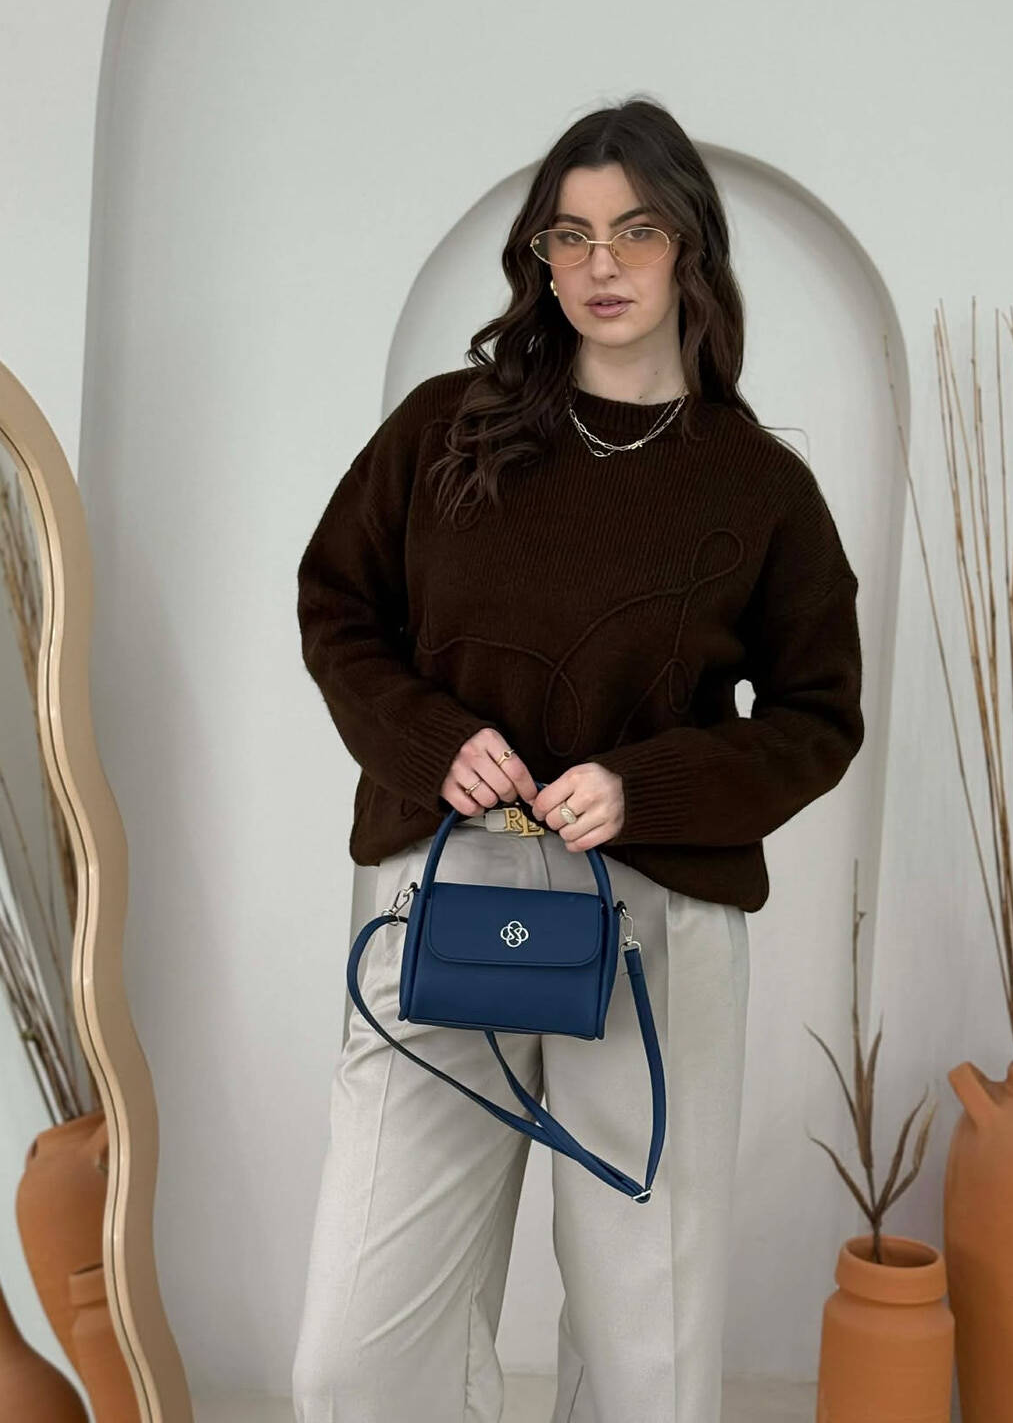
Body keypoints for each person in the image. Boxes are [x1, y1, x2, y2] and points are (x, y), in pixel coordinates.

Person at [289, 96, 865, 1423]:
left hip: (651, 920)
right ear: (540, 258)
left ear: (690, 250)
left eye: (636, 231)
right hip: (448, 896)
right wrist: (435, 741)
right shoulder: (445, 430)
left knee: (645, 1354)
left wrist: (641, 786)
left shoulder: (758, 488)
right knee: (358, 1355)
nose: (602, 264)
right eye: (571, 234)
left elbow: (816, 717)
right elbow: (338, 608)